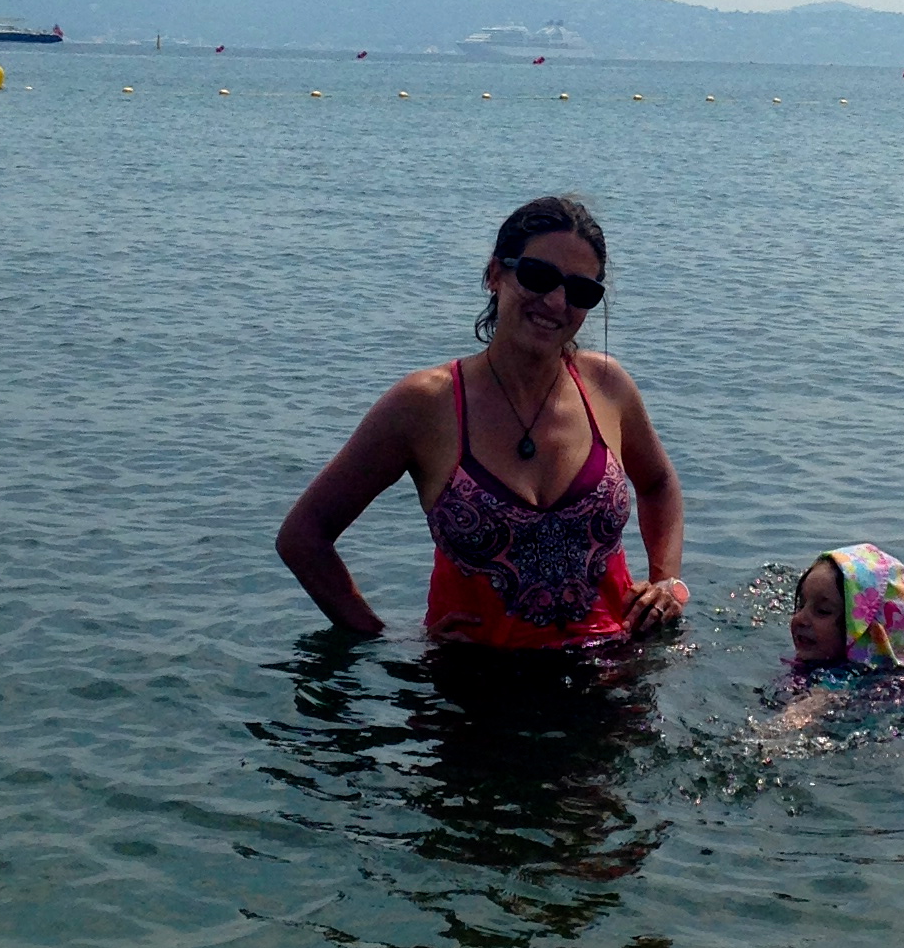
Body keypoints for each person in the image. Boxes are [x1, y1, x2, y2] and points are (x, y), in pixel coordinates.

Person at [275, 193, 687, 649]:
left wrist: (667, 582)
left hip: (615, 669)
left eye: (580, 290)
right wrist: (386, 637)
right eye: (538, 276)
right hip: (471, 681)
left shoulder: (607, 385)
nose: (556, 301)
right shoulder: (426, 404)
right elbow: (303, 537)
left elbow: (658, 484)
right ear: (495, 274)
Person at [787, 546, 904, 680]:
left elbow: (816, 703)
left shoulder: (838, 683)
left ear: (869, 634)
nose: (799, 618)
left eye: (823, 611)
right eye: (801, 605)